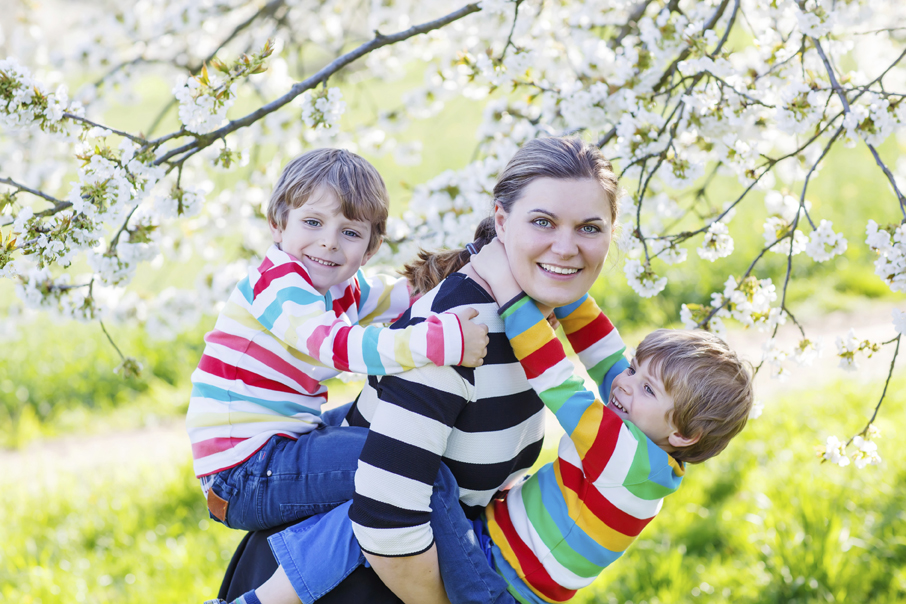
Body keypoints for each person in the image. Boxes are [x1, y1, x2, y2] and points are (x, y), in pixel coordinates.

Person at [233, 236, 754, 604]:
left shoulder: (625, 459)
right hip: (490, 547)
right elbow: (604, 355)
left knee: (405, 488)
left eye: (646, 387)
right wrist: (563, 277)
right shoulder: (647, 437)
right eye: (637, 369)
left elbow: (557, 378)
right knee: (378, 493)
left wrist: (508, 287)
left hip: (495, 580)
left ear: (683, 433)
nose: (624, 382)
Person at [218, 135, 623, 604]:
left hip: (376, 555)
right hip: (343, 578)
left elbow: (612, 364)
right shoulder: (457, 331)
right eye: (543, 222)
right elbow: (386, 519)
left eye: (589, 228)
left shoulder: (531, 316)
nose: (566, 247)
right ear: (502, 221)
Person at [187, 148, 490, 535]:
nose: (329, 242)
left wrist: (469, 265)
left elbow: (400, 296)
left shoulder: (338, 284)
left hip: (282, 444)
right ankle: (475, 568)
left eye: (350, 233)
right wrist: (437, 342)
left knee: (402, 422)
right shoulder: (279, 284)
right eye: (313, 222)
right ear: (277, 225)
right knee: (406, 460)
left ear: (370, 249)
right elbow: (337, 345)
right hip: (243, 472)